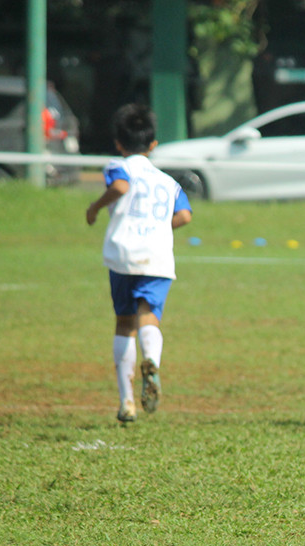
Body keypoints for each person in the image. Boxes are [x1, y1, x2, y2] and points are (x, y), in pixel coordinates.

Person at [85, 103, 192, 423]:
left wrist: (94, 207)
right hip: (157, 256)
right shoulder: (168, 181)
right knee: (148, 317)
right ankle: (152, 363)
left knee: (124, 323)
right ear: (153, 144)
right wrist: (159, 228)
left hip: (123, 254)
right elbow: (185, 216)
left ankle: (127, 401)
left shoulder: (118, 166)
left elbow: (120, 186)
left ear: (118, 143)